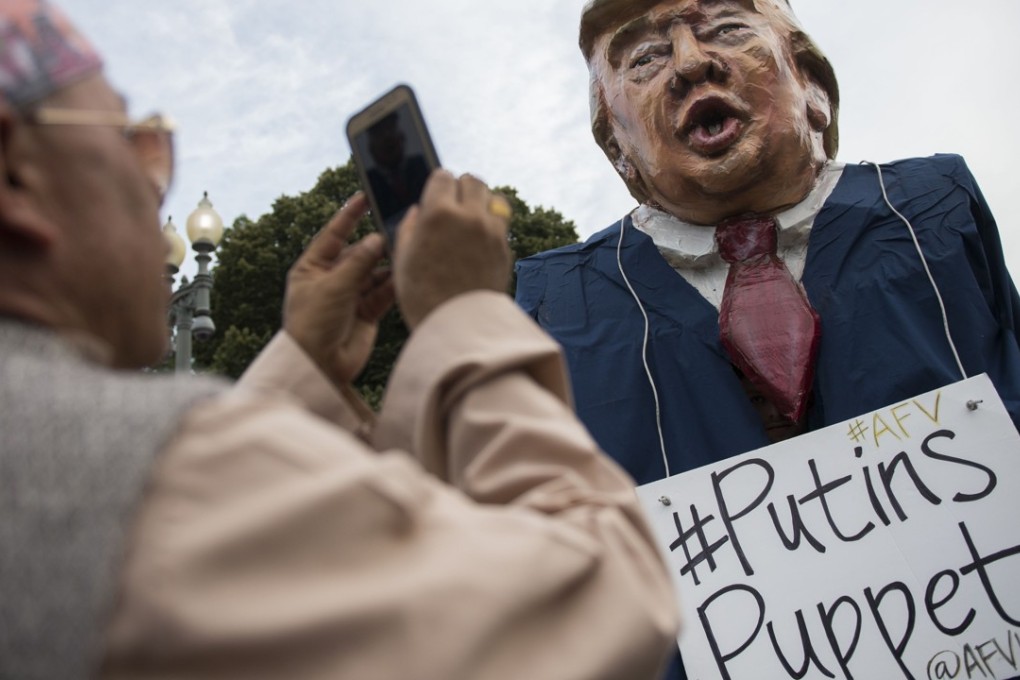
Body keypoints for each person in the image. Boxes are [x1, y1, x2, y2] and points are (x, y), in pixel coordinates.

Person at [0, 3, 679, 678]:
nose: (158, 186)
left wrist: (303, 365)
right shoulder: (140, 477)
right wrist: (464, 311)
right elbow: (598, 596)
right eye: (134, 140)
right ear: (15, 176)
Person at [515, 1, 1020, 676]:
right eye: (645, 59)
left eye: (727, 29)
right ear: (618, 146)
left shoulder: (936, 206)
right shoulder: (555, 304)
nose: (694, 63)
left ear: (814, 89)